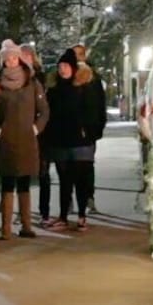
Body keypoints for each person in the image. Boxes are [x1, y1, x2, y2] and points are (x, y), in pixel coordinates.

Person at [45, 48, 105, 231]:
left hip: (80, 141)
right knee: (64, 181)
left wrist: (91, 132)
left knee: (80, 179)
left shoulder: (84, 87)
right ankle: (63, 215)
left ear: (73, 67)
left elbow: (95, 110)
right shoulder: (54, 89)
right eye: (60, 66)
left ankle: (81, 215)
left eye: (66, 66)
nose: (63, 69)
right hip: (60, 140)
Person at [0, 40, 49, 240]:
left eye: (14, 57)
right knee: (7, 183)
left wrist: (36, 128)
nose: (11, 62)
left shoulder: (32, 82)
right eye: (7, 59)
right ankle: (6, 229)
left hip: (27, 139)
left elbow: (44, 111)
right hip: (7, 140)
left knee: (24, 182)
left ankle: (26, 226)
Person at [20, 43, 52, 226]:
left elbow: (44, 108)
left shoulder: (40, 79)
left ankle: (44, 211)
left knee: (43, 173)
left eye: (27, 56)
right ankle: (24, 212)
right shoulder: (17, 77)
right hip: (22, 132)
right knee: (22, 172)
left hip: (40, 133)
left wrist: (37, 127)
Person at [72, 43, 106, 214]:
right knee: (70, 166)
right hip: (71, 130)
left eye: (80, 54)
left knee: (87, 165)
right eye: (75, 54)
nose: (78, 58)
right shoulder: (67, 77)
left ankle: (89, 197)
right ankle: (71, 199)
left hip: (90, 129)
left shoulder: (95, 79)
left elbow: (100, 105)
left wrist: (99, 127)